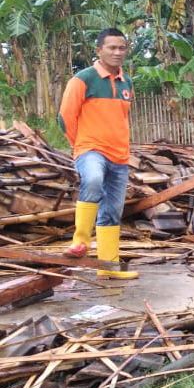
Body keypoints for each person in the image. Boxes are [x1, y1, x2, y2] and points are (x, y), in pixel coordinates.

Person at [58, 28, 138, 280]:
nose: (117, 52)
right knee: (92, 181)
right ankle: (80, 241)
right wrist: (80, 145)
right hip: (90, 149)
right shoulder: (83, 79)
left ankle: (108, 267)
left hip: (120, 155)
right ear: (99, 50)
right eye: (111, 47)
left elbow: (123, 118)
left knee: (112, 211)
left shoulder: (127, 82)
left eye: (121, 48)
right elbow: (64, 118)